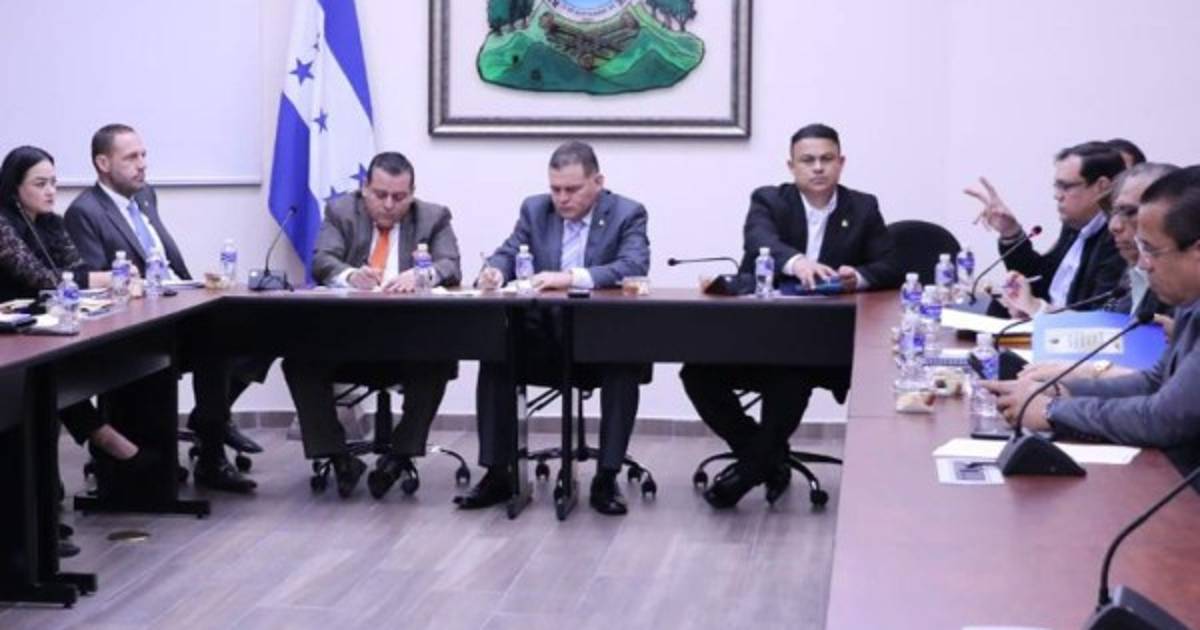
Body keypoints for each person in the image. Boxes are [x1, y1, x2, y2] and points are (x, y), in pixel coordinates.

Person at [679, 123, 901, 509]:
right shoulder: (769, 200)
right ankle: (764, 457)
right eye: (807, 160)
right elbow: (759, 240)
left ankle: (748, 472)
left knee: (790, 375)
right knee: (697, 373)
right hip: (760, 333)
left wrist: (858, 277)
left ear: (841, 162)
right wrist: (797, 263)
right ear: (791, 166)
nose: (818, 168)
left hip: (823, 343)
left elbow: (890, 265)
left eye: (826, 159)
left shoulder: (863, 207)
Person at [63, 123, 262, 493]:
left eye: (144, 155)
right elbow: (94, 281)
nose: (142, 164)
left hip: (177, 304)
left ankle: (210, 421)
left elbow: (164, 264)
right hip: (137, 329)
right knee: (216, 339)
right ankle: (212, 447)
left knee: (260, 329)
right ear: (103, 163)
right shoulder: (85, 211)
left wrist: (194, 286)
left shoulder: (145, 195)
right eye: (131, 157)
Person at [456, 141, 650, 516]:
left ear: (598, 182)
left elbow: (633, 265)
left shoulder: (628, 213)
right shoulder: (535, 209)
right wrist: (494, 271)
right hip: (545, 338)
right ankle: (498, 473)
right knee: (495, 355)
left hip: (600, 342)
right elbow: (509, 251)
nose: (562, 198)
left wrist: (570, 277)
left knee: (623, 363)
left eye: (572, 189)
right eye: (555, 188)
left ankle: (606, 477)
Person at [984, 166, 1200, 473]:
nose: (1144, 264)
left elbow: (1163, 418)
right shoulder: (1191, 304)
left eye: (1152, 250)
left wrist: (1052, 410)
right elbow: (1153, 383)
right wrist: (1063, 392)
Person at [0, 145, 154, 556]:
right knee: (42, 389)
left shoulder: (51, 223)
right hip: (10, 339)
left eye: (54, 182)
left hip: (40, 332)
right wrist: (106, 278)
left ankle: (46, 513)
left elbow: (75, 270)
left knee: (60, 378)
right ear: (14, 189)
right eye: (40, 184)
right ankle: (94, 444)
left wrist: (106, 278)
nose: (51, 191)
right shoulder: (2, 225)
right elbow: (40, 278)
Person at [282, 152, 461, 498]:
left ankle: (400, 456)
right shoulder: (341, 211)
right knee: (299, 361)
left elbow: (450, 264)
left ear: (412, 194)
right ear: (365, 189)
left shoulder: (433, 217)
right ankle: (338, 457)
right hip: (349, 340)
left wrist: (421, 275)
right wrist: (351, 275)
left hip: (409, 343)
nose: (389, 205)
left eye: (399, 197)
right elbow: (322, 260)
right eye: (380, 195)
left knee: (439, 358)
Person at [998, 162, 1178, 319]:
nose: (1114, 226)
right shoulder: (1135, 269)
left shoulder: (1175, 283)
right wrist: (1034, 310)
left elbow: (1116, 331)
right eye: (1113, 212)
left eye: (1130, 212)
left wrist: (1037, 309)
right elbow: (1108, 325)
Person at [965, 141, 1127, 311]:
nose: (1057, 196)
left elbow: (1098, 316)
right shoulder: (1074, 227)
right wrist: (1010, 232)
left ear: (1102, 187)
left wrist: (1037, 309)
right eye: (1057, 186)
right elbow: (1037, 280)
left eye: (1065, 187)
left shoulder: (1118, 240)